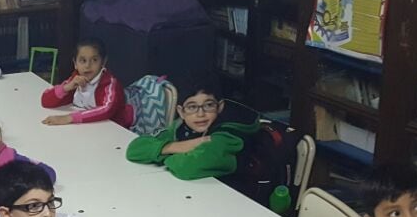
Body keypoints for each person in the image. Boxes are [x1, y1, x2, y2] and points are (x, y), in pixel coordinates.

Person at [124, 84, 260, 180]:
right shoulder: (181, 126)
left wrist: (162, 153)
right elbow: (134, 150)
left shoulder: (226, 137)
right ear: (181, 112)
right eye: (192, 107)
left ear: (220, 107)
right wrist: (176, 146)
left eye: (208, 105)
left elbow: (186, 167)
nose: (200, 114)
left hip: (231, 203)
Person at [40, 38, 132, 128]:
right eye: (83, 60)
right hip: (85, 127)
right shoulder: (75, 79)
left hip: (113, 128)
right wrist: (66, 88)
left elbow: (106, 110)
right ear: (75, 63)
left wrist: (69, 118)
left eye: (94, 60)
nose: (88, 66)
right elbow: (45, 100)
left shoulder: (110, 84)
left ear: (103, 62)